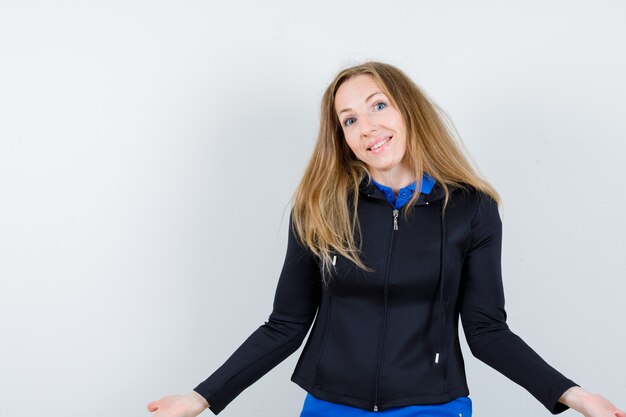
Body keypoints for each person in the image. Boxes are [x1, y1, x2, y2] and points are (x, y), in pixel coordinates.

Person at [147, 62, 624, 417]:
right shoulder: (319, 208)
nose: (368, 126)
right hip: (331, 405)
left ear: (407, 110)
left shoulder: (471, 209)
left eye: (378, 105)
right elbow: (285, 325)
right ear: (343, 137)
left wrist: (575, 396)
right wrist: (202, 397)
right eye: (349, 119)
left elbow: (487, 332)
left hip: (433, 405)